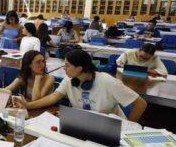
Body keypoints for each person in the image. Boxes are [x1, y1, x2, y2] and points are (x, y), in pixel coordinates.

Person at [14, 49, 147, 122]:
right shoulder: (69, 79)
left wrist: (128, 126)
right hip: (84, 123)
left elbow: (140, 104)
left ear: (79, 68)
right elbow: (52, 98)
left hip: (109, 127)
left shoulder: (108, 82)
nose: (63, 68)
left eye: (67, 65)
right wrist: (28, 105)